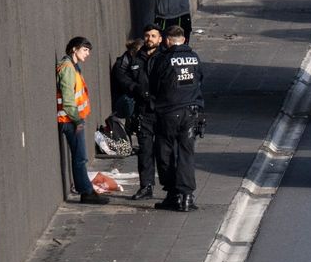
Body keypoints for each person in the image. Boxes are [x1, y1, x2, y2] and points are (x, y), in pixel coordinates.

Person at [148, 24, 204, 210]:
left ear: (167, 40)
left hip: (168, 113)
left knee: (165, 153)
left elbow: (154, 84)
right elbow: (199, 80)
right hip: (191, 112)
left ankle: (173, 194)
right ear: (184, 40)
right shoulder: (194, 58)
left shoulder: (164, 59)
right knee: (186, 154)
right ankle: (187, 196)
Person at [110, 28, 161, 198]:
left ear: (160, 39)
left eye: (153, 36)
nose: (149, 39)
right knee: (145, 151)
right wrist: (134, 88)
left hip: (161, 110)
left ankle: (172, 188)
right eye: (147, 35)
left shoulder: (164, 56)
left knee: (165, 151)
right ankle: (146, 186)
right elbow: (120, 73)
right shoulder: (135, 57)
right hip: (142, 111)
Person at [56, 37, 106, 204]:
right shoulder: (68, 68)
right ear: (74, 49)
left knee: (80, 157)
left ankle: (86, 190)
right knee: (80, 157)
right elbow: (68, 98)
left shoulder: (73, 66)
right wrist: (77, 120)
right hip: (70, 120)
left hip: (72, 119)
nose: (87, 54)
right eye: (85, 50)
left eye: (88, 51)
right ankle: (86, 192)